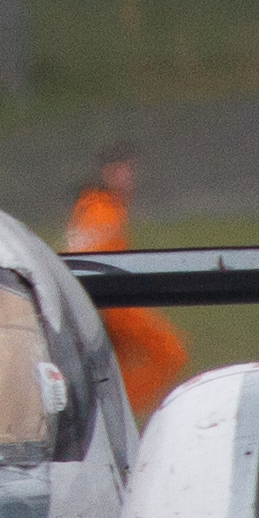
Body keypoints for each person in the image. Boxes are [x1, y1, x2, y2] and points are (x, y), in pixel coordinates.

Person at [60, 143, 189, 418]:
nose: (128, 176)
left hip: (107, 302)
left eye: (129, 170)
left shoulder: (100, 205)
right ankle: (119, 409)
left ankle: (112, 410)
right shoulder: (101, 210)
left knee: (113, 369)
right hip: (113, 305)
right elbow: (85, 257)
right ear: (106, 173)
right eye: (120, 170)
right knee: (170, 352)